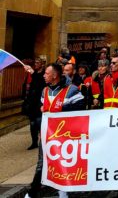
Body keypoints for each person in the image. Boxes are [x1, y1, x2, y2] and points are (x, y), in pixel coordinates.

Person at [25, 63, 85, 198]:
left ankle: (62, 191)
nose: (44, 76)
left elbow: (80, 109)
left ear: (55, 75)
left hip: (65, 137)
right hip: (48, 136)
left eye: (46, 73)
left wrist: (58, 110)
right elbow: (43, 107)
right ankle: (32, 193)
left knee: (62, 163)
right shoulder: (45, 91)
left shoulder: (72, 90)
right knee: (42, 163)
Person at [22, 57, 46, 150]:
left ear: (42, 64)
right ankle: (34, 142)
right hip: (32, 102)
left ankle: (42, 142)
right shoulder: (33, 74)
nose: (35, 64)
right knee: (32, 123)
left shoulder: (43, 75)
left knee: (39, 122)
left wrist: (33, 73)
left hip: (40, 102)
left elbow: (41, 84)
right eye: (35, 62)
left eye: (37, 62)